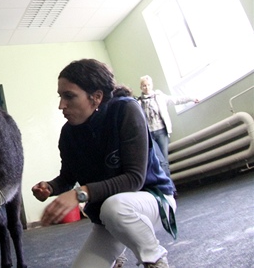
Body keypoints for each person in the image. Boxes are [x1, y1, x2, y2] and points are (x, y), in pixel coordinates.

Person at [32, 59, 176, 268]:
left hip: (152, 199)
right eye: (61, 96)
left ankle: (154, 259)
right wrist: (50, 187)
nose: (61, 105)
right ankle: (122, 241)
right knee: (109, 214)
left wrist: (80, 194)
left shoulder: (126, 110)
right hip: (108, 217)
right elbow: (68, 177)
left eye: (69, 96)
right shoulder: (68, 133)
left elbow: (135, 179)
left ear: (96, 97)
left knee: (114, 207)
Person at [137, 75, 198, 178]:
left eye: (148, 85)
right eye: (144, 86)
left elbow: (176, 100)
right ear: (141, 87)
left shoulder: (159, 96)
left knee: (164, 160)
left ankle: (169, 186)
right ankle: (164, 185)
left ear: (152, 85)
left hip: (161, 131)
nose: (147, 88)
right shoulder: (139, 102)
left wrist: (191, 98)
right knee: (157, 160)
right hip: (149, 134)